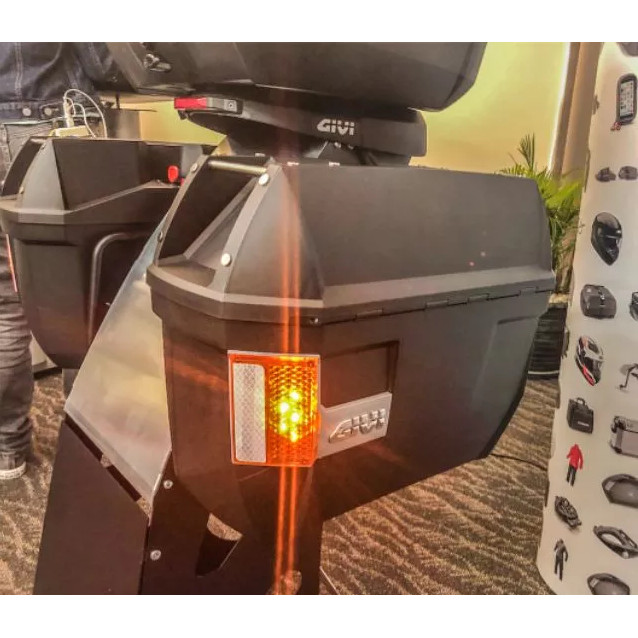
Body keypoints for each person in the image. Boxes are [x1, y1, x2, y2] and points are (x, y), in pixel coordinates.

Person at [0, 43, 119, 481]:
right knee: (82, 295)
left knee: (5, 305)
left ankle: (7, 448)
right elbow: (103, 62)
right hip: (54, 128)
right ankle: (86, 445)